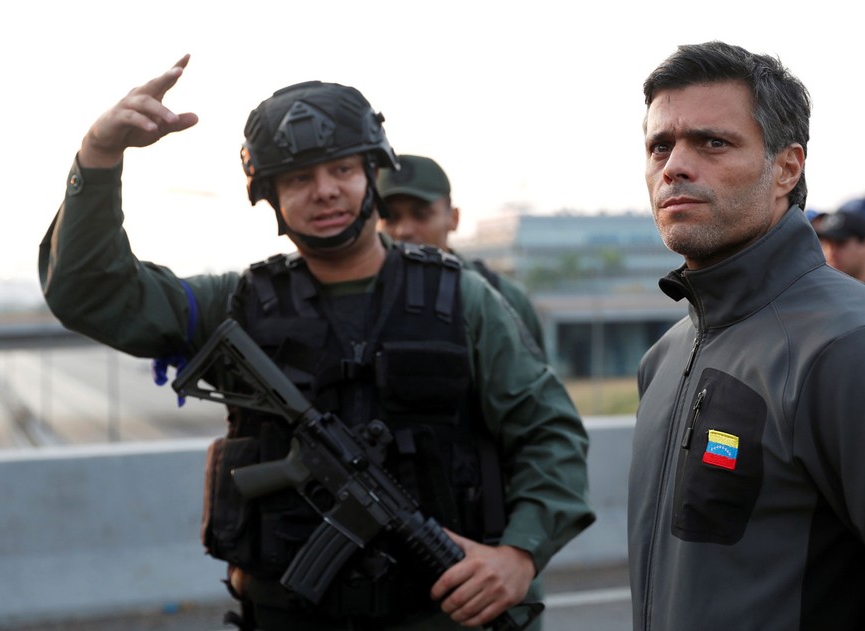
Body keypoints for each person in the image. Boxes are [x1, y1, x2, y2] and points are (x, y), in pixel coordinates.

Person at [38, 55, 594, 631]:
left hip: (438, 615)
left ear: (371, 175)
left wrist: (519, 555)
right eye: (299, 179)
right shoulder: (237, 304)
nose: (324, 192)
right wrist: (99, 157)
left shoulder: (464, 299)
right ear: (270, 195)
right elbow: (89, 293)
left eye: (342, 171)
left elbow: (548, 433)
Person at [629, 41, 865, 630]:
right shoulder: (663, 360)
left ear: (787, 168)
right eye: (660, 145)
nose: (674, 164)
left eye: (712, 141)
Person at [375, 155, 546, 355]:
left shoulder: (502, 296)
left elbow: (534, 382)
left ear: (453, 218)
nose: (404, 230)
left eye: (421, 214)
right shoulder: (360, 294)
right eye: (390, 217)